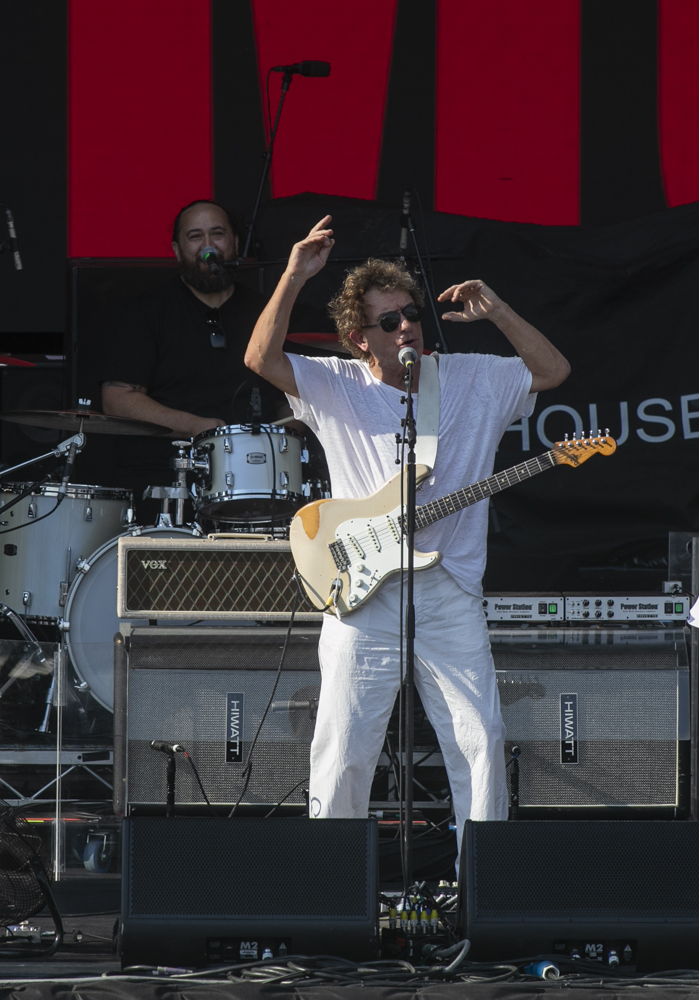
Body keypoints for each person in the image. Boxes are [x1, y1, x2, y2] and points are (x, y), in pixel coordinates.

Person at [245, 215, 570, 839]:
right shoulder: (335, 383)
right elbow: (260, 357)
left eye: (412, 315)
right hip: (361, 594)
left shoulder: (473, 376)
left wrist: (498, 311)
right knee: (343, 748)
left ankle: (481, 882)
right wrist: (292, 275)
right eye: (389, 322)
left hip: (448, 590)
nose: (406, 329)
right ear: (358, 338)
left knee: (480, 741)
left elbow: (553, 371)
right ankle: (334, 882)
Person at [93, 200, 296, 501]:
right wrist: (202, 429)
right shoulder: (146, 312)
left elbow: (288, 398)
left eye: (218, 234)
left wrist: (293, 428)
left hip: (255, 480)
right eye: (195, 236)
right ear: (177, 250)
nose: (208, 246)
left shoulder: (266, 313)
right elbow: (117, 400)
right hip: (162, 480)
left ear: (235, 243)